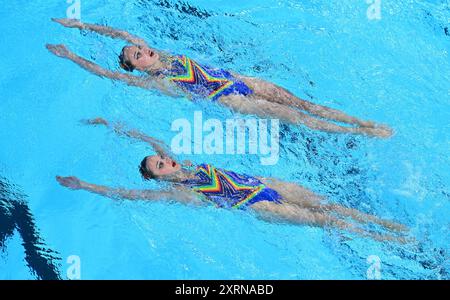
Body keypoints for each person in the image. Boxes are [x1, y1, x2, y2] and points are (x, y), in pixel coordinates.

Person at [56, 118, 409, 243]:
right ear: (160, 179)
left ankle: (389, 226)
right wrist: (88, 186)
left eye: (161, 158)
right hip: (262, 204)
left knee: (331, 206)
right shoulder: (183, 193)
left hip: (267, 182)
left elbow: (153, 141)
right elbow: (131, 195)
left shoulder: (187, 163)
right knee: (326, 221)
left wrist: (112, 126)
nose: (165, 160)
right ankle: (384, 239)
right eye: (159, 166)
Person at [46, 18, 393, 138]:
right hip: (235, 100)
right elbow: (107, 73)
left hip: (244, 80)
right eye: (135, 55)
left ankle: (363, 122)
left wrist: (81, 26)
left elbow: (120, 31)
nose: (139, 49)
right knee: (300, 118)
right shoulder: (154, 80)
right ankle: (360, 134)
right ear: (136, 68)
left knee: (304, 103)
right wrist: (72, 56)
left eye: (137, 46)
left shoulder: (160, 53)